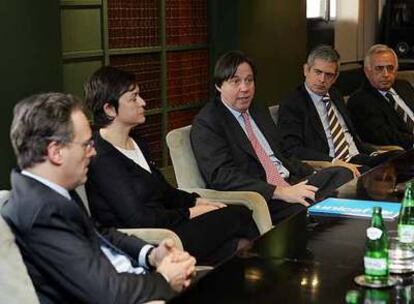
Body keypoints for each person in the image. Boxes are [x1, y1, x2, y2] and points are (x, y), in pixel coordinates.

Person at [1, 93, 196, 304]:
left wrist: (151, 254)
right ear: (56, 152)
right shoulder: (40, 213)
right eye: (86, 145)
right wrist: (165, 279)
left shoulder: (52, 191)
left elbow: (99, 233)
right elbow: (106, 293)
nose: (93, 153)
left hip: (132, 280)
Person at [84, 66, 259, 266]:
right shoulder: (102, 156)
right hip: (151, 241)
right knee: (238, 215)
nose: (143, 102)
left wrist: (196, 201)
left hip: (171, 225)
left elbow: (165, 191)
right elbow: (138, 218)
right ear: (109, 109)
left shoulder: (137, 141)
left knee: (237, 246)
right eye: (134, 98)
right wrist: (190, 212)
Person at [190, 51, 353, 224]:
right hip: (261, 197)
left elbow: (283, 153)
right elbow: (222, 176)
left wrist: (310, 173)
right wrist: (280, 191)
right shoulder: (209, 122)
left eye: (249, 80)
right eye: (235, 81)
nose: (244, 88)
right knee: (313, 206)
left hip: (291, 182)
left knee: (343, 174)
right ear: (219, 85)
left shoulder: (257, 108)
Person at [278, 45, 399, 177]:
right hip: (329, 164)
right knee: (373, 174)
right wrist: (334, 162)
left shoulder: (335, 95)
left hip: (357, 157)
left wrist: (374, 153)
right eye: (318, 72)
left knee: (399, 157)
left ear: (335, 77)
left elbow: (352, 138)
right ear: (306, 70)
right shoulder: (293, 103)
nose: (322, 80)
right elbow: (292, 149)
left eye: (328, 75)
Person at [347, 44, 414, 150]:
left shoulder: (404, 86)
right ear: (367, 71)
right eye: (379, 68)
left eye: (390, 68)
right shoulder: (360, 101)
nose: (386, 74)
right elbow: (385, 137)